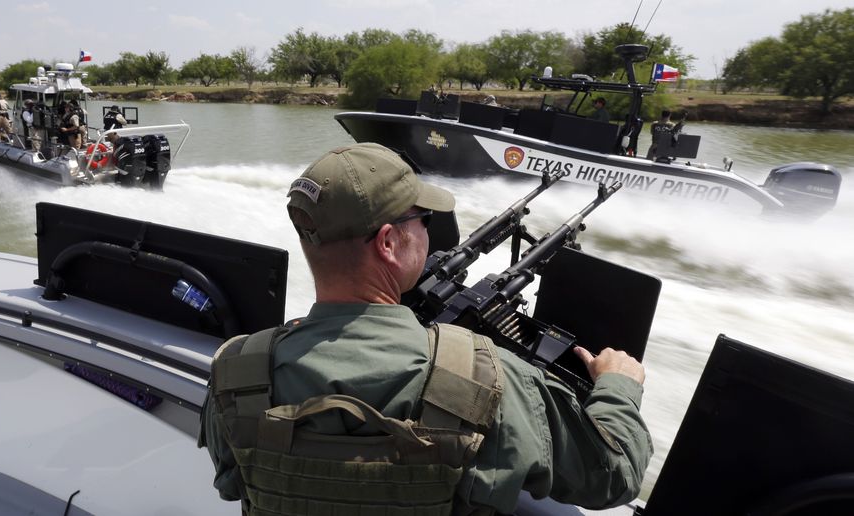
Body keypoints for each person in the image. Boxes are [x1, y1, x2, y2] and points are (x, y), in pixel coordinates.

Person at [198, 143, 653, 515]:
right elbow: (613, 477)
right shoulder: (488, 379)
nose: (430, 235)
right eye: (423, 221)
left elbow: (232, 482)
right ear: (390, 243)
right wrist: (617, 386)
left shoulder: (237, 373)